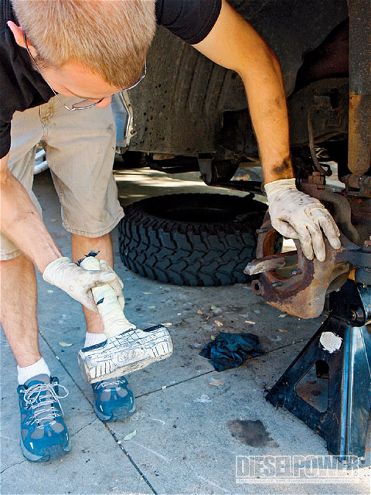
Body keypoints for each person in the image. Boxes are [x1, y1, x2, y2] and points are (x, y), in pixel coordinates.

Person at [0, 0, 341, 462]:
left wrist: (279, 184)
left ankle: (107, 347)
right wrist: (55, 265)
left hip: (73, 69)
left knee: (92, 212)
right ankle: (32, 376)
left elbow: (254, 57)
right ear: (23, 38)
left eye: (119, 89)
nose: (105, 106)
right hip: (17, 97)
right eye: (92, 95)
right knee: (7, 246)